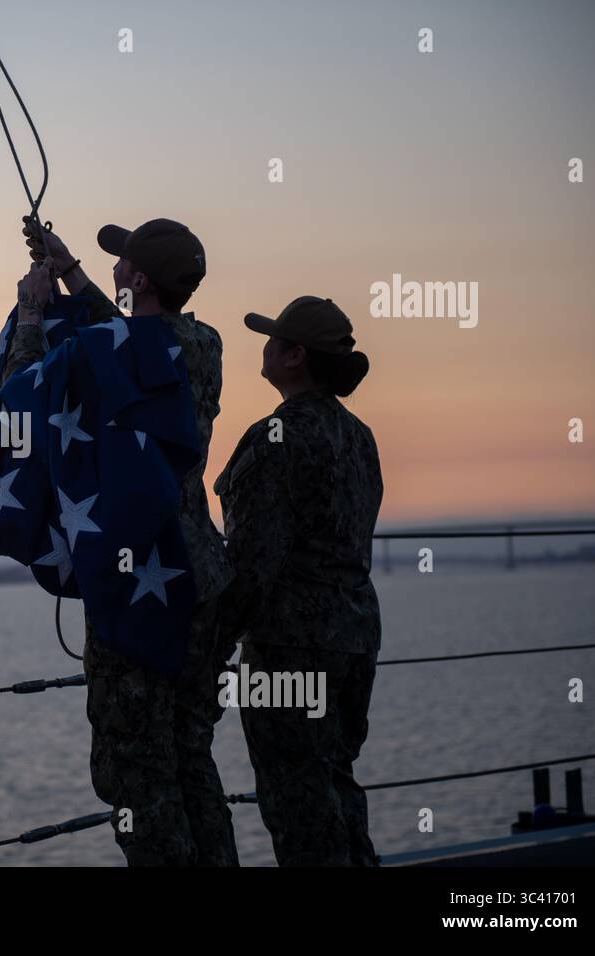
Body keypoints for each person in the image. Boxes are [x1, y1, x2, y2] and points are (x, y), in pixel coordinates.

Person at [8, 217, 238, 866]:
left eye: (121, 263)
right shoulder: (204, 343)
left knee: (137, 775)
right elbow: (137, 344)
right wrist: (73, 269)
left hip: (138, 589)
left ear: (138, 278)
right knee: (191, 757)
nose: (112, 270)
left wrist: (32, 313)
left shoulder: (106, 350)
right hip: (205, 581)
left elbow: (26, 399)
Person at [213, 295, 382, 866]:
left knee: (297, 799)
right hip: (355, 637)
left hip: (292, 649)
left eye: (272, 339)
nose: (263, 347)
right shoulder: (359, 437)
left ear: (294, 357)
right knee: (336, 780)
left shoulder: (277, 437)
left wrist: (208, 642)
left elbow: (253, 562)